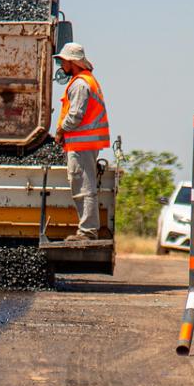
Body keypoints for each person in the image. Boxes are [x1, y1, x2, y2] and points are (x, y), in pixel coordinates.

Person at [54, 41, 110, 241]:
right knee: (83, 186)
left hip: (82, 145)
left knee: (84, 187)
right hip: (84, 144)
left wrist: (60, 131)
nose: (61, 66)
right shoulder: (85, 81)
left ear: (73, 62)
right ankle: (87, 229)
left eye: (63, 61)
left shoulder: (80, 84)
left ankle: (87, 232)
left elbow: (75, 115)